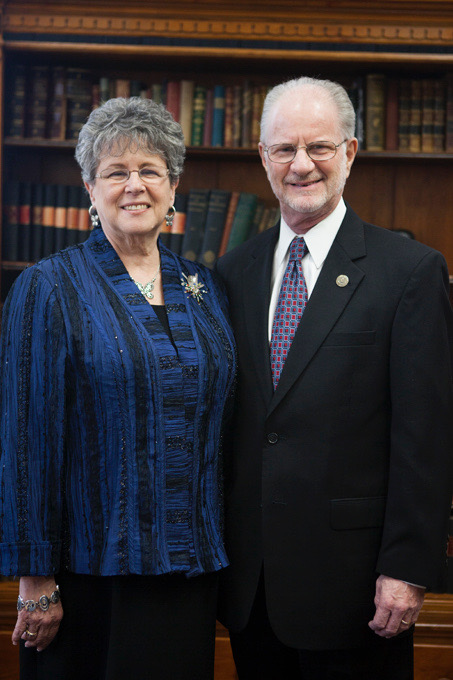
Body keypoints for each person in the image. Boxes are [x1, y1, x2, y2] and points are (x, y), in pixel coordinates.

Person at [215, 76, 453, 679]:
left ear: (349, 152)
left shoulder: (410, 272)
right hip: (253, 588)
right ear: (262, 159)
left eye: (318, 147)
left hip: (358, 590)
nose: (301, 165)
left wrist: (406, 567)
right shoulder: (231, 271)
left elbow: (426, 435)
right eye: (284, 149)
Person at [0, 96, 236, 680]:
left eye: (150, 170)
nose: (135, 186)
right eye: (116, 172)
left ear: (173, 185)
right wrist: (36, 580)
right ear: (90, 187)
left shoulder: (203, 283)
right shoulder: (47, 287)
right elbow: (26, 440)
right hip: (89, 577)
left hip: (189, 570)